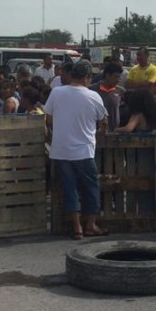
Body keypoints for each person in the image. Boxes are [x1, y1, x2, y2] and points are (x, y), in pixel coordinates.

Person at [44, 60, 109, 239]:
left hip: (60, 150)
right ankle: (91, 225)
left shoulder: (57, 92)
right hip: (84, 150)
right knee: (91, 187)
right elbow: (104, 121)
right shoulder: (93, 96)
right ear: (87, 77)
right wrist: (98, 132)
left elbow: (48, 119)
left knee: (69, 188)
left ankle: (77, 227)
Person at [91, 62, 125, 131]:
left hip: (113, 133)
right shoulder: (92, 90)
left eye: (119, 77)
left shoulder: (121, 91)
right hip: (94, 133)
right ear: (107, 75)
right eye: (116, 77)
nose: (118, 80)